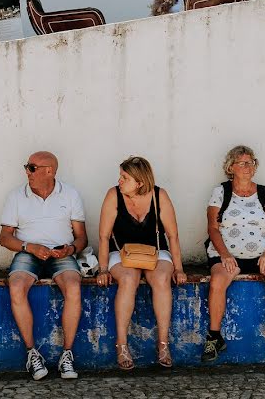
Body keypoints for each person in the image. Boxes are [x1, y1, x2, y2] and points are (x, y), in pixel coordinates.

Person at [201, 146, 265, 362]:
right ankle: (214, 337)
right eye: (242, 162)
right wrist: (224, 255)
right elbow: (212, 228)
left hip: (262, 254)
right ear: (231, 167)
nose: (248, 166)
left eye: (251, 162)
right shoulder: (221, 192)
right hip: (228, 254)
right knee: (218, 280)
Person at [0, 151, 87, 381]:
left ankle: (67, 355)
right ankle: (32, 353)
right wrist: (29, 246)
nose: (27, 171)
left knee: (74, 287)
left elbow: (81, 238)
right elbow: (5, 238)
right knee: (16, 286)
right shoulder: (16, 196)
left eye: (32, 167)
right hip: (29, 252)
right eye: (27, 166)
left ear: (50, 170)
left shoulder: (70, 194)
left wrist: (70, 250)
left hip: (61, 252)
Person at [97, 156, 185, 370]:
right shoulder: (113, 195)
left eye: (125, 177)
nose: (120, 180)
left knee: (162, 278)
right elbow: (104, 237)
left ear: (140, 182)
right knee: (128, 279)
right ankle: (122, 344)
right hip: (121, 252)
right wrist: (102, 269)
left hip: (155, 252)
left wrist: (180, 268)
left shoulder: (159, 195)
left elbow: (173, 236)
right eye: (120, 175)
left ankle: (163, 344)